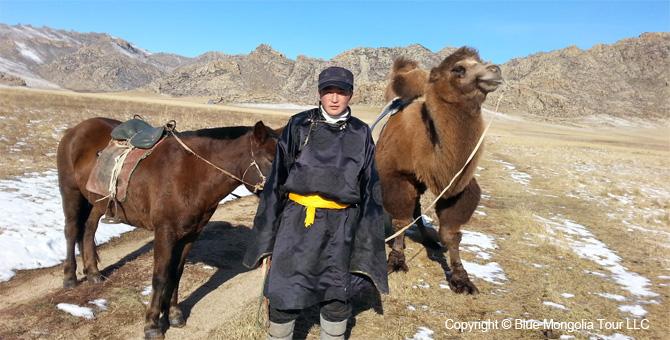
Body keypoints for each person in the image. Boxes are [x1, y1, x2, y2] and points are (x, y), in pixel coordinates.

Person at [243, 66, 389, 340]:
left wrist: (367, 239)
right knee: (285, 293)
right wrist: (266, 238)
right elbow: (276, 182)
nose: (334, 99)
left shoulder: (361, 132)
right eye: (328, 91)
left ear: (351, 95)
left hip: (341, 226)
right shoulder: (298, 125)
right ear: (319, 93)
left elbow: (370, 187)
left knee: (336, 295)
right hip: (297, 223)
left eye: (341, 92)